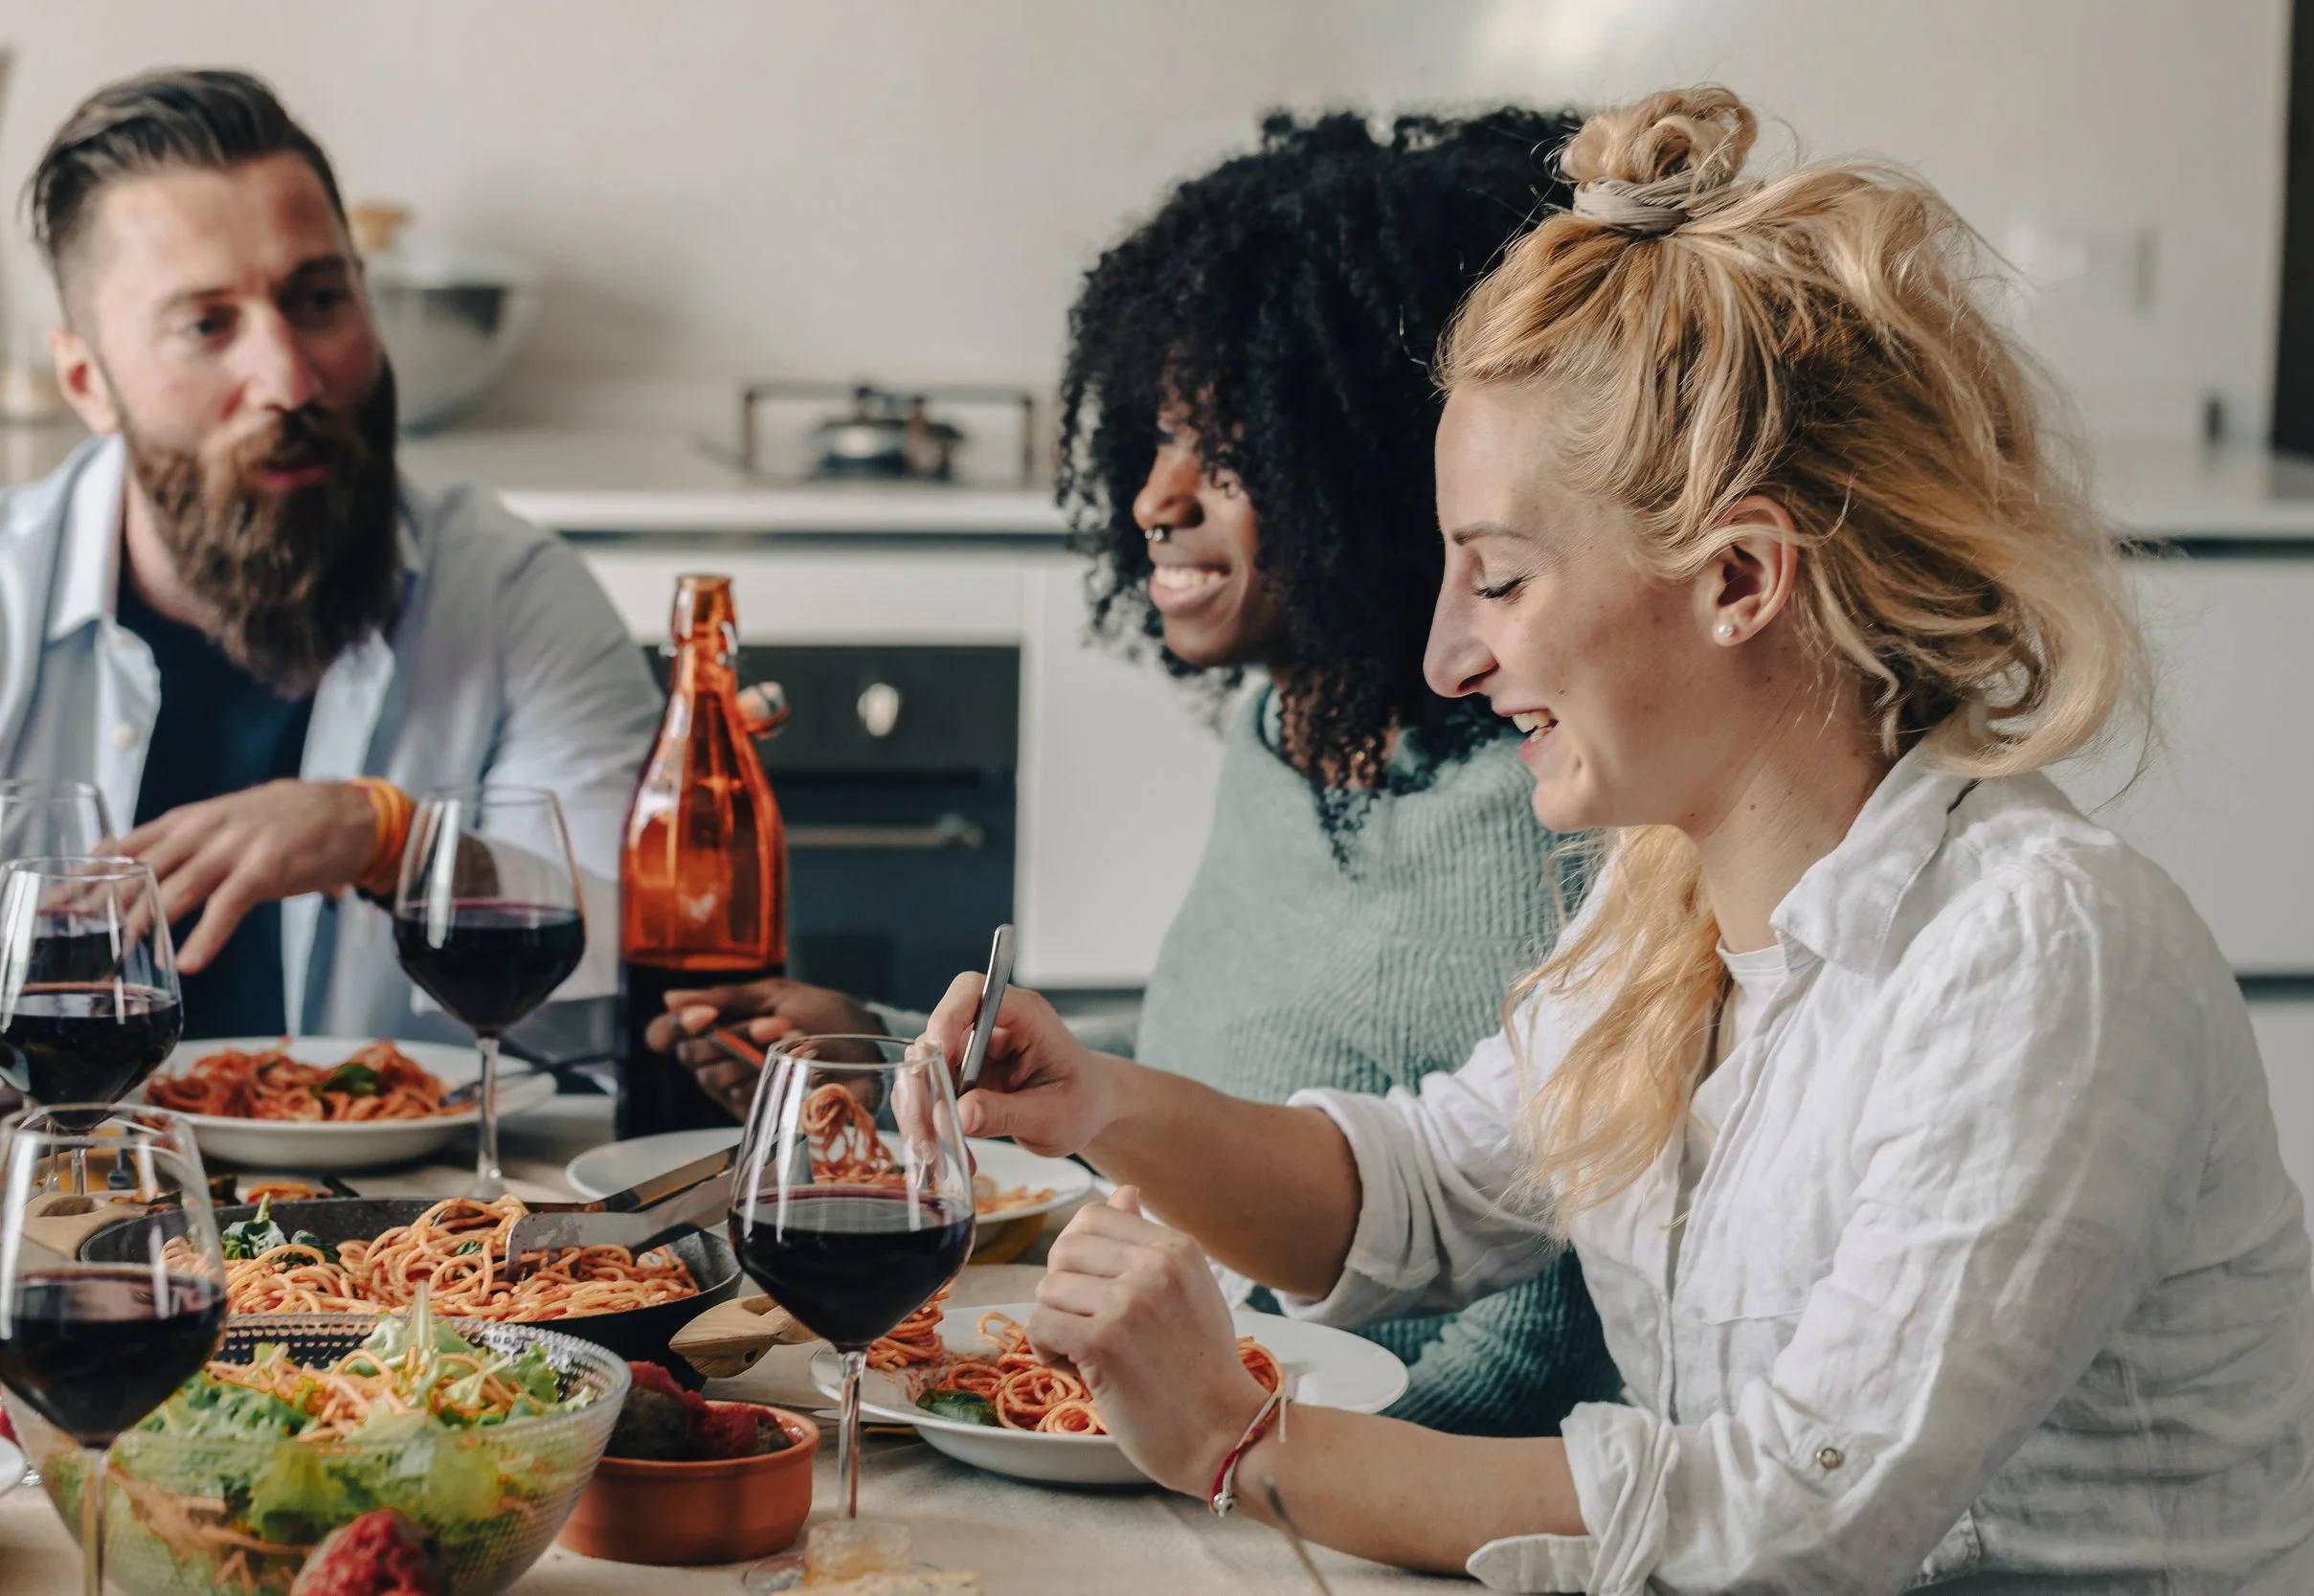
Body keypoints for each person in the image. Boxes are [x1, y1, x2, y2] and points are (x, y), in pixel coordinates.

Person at [921, 86, 2314, 1591]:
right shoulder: (1663, 902)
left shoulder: (2042, 956)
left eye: (1503, 579)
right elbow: (1417, 1190)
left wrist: (1241, 1435)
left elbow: (1793, 1517)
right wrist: (1098, 1099)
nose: (1446, 657)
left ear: (1739, 577)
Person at [649, 110, 1617, 1437]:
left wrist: (1306, 1467)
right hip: (1173, 1404)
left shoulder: (1544, 806)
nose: (1155, 496)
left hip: (1347, 1466)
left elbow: (1553, 1285)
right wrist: (893, 1061)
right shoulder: (1281, 739)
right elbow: (1193, 1100)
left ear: (1373, 470)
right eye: (1159, 438)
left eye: (1229, 455)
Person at [0, 69, 658, 1041]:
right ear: (88, 381)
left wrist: (390, 841)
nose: (290, 378)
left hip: (424, 1195)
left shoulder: (517, 596)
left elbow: (657, 944)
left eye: (317, 299)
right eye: (206, 324)